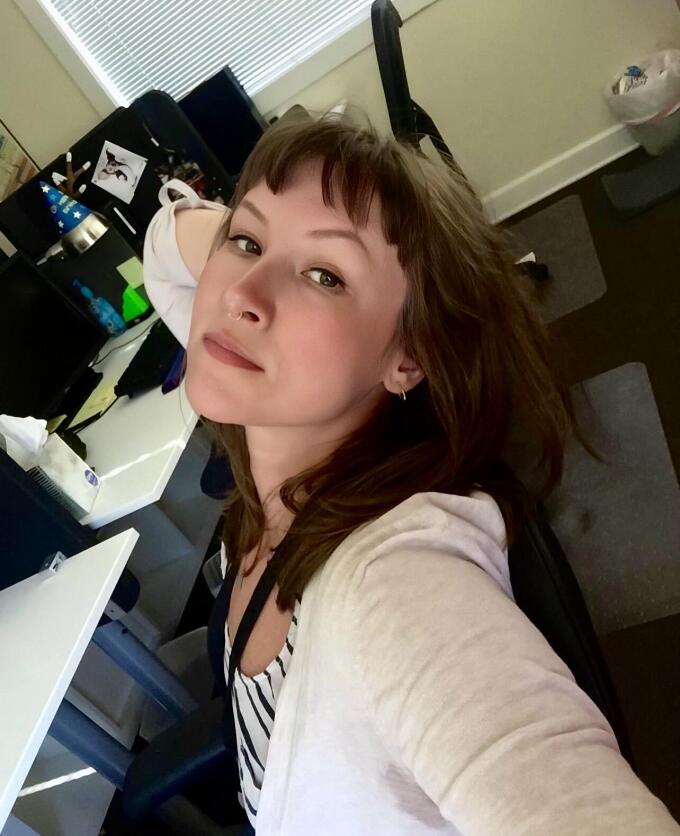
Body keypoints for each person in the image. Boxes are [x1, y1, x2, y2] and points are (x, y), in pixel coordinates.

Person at [143, 110, 679, 835]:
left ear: (407, 358)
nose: (241, 295)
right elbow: (163, 247)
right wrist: (286, 235)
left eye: (325, 276)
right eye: (245, 242)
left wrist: (269, 231)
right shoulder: (276, 458)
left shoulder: (393, 583)